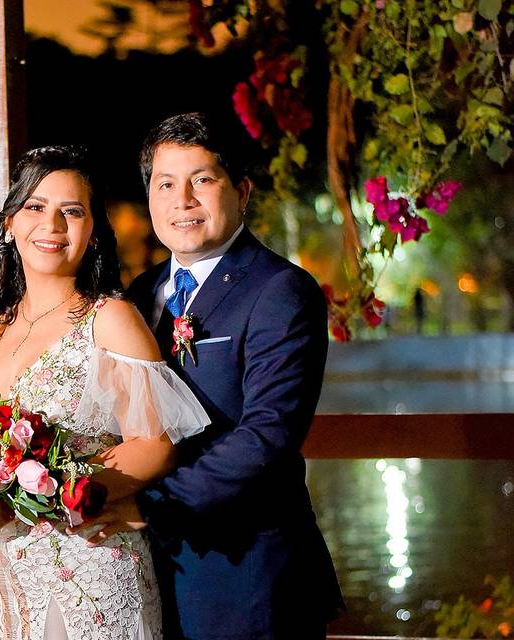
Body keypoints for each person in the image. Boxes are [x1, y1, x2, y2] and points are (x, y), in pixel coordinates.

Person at [0, 145, 210, 640]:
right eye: (35, 207)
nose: (52, 225)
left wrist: (45, 495)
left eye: (71, 212)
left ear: (92, 231)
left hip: (87, 568)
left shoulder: (110, 320)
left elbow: (155, 447)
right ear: (10, 223)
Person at [84, 112, 344, 639]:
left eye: (202, 180)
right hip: (144, 570)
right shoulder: (137, 294)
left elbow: (268, 434)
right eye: (165, 183)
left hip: (246, 575)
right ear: (150, 196)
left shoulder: (281, 291)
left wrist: (150, 505)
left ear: (242, 191)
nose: (182, 200)